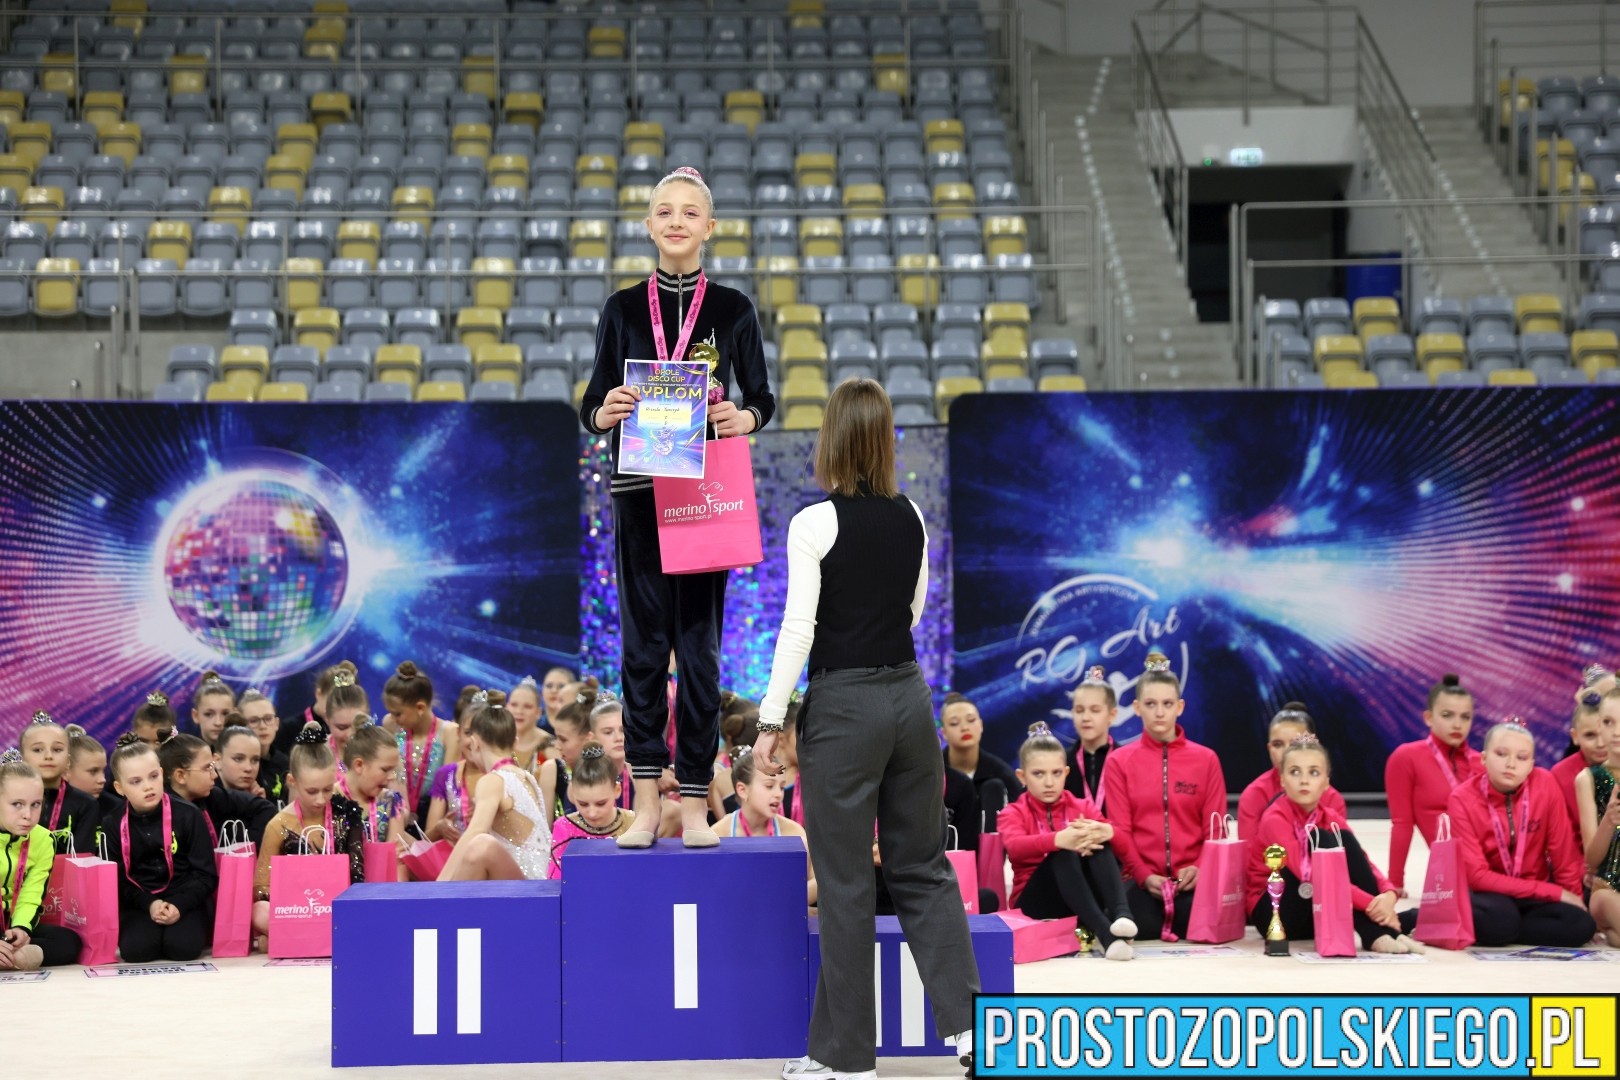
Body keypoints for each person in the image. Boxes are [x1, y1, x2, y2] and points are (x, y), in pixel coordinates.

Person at [757, 378, 977, 1080]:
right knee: (925, 868)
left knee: (847, 882)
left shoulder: (812, 524)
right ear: (884, 439)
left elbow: (798, 630)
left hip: (844, 709)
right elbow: (913, 611)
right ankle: (973, 1030)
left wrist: (770, 719)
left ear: (830, 438)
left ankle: (847, 1058)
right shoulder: (913, 516)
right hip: (910, 700)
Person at [581, 165, 775, 849]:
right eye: (665, 211)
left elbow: (763, 398)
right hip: (638, 494)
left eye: (690, 212)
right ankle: (643, 804)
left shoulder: (733, 309)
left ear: (709, 227)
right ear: (648, 225)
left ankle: (694, 803)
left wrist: (741, 418)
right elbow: (592, 401)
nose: (676, 222)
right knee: (642, 652)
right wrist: (604, 410)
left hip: (702, 497)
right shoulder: (621, 309)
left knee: (698, 656)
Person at [1247, 736, 1420, 953]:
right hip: (1276, 911)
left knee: (1341, 839)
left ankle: (1380, 930)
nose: (1304, 780)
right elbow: (1310, 875)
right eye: (1295, 772)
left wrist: (1388, 895)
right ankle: (1377, 931)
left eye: (1314, 773)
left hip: (1314, 910)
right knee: (1320, 838)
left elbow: (1364, 863)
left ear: (1326, 782)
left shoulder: (1329, 816)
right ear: (1282, 780)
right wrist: (1370, 904)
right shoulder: (1275, 818)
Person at [1100, 651, 1226, 942]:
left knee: (1200, 923)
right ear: (1136, 708)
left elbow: (1215, 830)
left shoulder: (1206, 760)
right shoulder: (1119, 761)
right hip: (1141, 881)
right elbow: (1121, 831)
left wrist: (1200, 867)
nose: (1159, 712)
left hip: (1192, 880)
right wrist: (1143, 875)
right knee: (1137, 925)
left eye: (1167, 704)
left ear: (1180, 707)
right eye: (1150, 704)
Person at [1448, 720, 1595, 948]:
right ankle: (1438, 917)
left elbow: (1563, 853)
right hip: (1489, 894)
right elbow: (1477, 876)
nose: (1511, 764)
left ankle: (1503, 930)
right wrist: (1552, 892)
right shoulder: (1462, 798)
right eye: (1501, 754)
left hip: (1533, 895)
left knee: (1581, 925)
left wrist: (1574, 899)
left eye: (1522, 758)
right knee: (1500, 920)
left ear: (1531, 765)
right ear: (1483, 758)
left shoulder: (1545, 783)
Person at [999, 723, 1136, 960]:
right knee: (1063, 853)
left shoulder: (1082, 806)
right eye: (1038, 774)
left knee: (1097, 839)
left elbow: (1127, 854)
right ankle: (1107, 934)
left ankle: (1123, 916)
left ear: (1066, 773)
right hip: (1036, 903)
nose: (1049, 782)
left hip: (1082, 900)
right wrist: (1058, 839)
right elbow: (1015, 847)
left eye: (1056, 773)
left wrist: (1108, 832)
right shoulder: (1013, 812)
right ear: (1022, 777)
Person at [105, 733, 218, 963]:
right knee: (136, 951)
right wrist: (150, 904)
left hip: (186, 899)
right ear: (119, 787)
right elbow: (118, 880)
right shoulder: (112, 823)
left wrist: (180, 904)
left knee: (182, 948)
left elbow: (206, 875)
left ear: (162, 774)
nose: (148, 786)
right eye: (136, 782)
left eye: (153, 776)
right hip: (140, 902)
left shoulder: (188, 815)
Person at [252, 724, 366, 939]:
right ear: (292, 781)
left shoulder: (347, 814)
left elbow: (358, 875)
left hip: (338, 908)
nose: (320, 799)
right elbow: (260, 887)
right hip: (297, 911)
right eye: (312, 791)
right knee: (259, 912)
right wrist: (293, 899)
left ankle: (304, 937)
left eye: (327, 789)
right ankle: (310, 935)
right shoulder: (278, 824)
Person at [1385, 674, 1482, 895]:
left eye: (1465, 717)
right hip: (1455, 871)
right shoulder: (1406, 758)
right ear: (1428, 717)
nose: (1457, 724)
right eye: (1447, 715)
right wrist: (1395, 883)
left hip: (1492, 864)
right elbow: (1402, 824)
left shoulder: (1483, 762)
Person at [439, 691, 552, 881]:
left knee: (480, 845)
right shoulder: (526, 777)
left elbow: (475, 831)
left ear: (474, 743)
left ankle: (442, 899)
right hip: (542, 877)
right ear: (514, 743)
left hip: (530, 884)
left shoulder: (494, 780)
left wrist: (439, 884)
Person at [0, 751, 80, 969]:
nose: (28, 814)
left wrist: (21, 928)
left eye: (35, 804)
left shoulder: (44, 839)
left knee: (70, 941)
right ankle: (14, 957)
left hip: (10, 921)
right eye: (17, 804)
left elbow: (32, 892)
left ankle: (13, 956)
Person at [715, 748, 817, 906]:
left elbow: (816, 882)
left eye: (781, 787)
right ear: (742, 790)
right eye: (769, 786)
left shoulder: (794, 834)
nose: (778, 794)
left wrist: (778, 901)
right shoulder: (719, 834)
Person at [1235, 702, 1348, 841]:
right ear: (1269, 749)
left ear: (1313, 745)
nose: (1286, 752)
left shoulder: (1332, 799)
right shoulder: (1254, 795)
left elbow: (1339, 850)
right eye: (1278, 744)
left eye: (1295, 744)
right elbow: (1249, 851)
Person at [159, 733, 276, 847]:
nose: (215, 775)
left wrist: (242, 847)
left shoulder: (212, 796)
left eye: (212, 767)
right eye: (207, 768)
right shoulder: (159, 811)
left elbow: (265, 807)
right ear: (181, 776)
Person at [383, 661, 458, 824]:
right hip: (397, 815)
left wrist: (433, 830)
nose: (393, 718)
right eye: (390, 713)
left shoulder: (449, 733)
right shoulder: (391, 725)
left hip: (434, 814)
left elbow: (448, 789)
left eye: (398, 714)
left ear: (420, 708)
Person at [1573, 688, 1620, 946]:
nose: (1616, 732)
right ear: (1599, 725)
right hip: (1606, 889)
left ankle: (1613, 934)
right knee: (1606, 900)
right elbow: (1591, 859)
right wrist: (1609, 820)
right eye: (1608, 722)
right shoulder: (1588, 778)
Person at [547, 743, 635, 878]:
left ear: (617, 790)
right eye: (583, 804)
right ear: (573, 794)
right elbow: (555, 881)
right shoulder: (563, 827)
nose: (592, 813)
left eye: (601, 803)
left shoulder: (633, 823)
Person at [18, 711, 98, 854]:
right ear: (22, 759)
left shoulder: (86, 805)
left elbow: (83, 858)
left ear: (68, 760)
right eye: (38, 750)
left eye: (57, 749)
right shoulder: (6, 801)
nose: (48, 756)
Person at [940, 692, 1021, 822]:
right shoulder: (934, 773)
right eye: (954, 723)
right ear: (944, 733)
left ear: (981, 725)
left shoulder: (1001, 774)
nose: (964, 728)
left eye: (971, 720)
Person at [1552, 675, 1610, 843]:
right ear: (1575, 736)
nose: (1600, 743)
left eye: (1605, 733)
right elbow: (1563, 840)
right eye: (1590, 735)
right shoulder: (1559, 775)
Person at [337, 721, 407, 850]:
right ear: (359, 765)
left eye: (393, 770)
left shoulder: (391, 801)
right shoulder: (329, 798)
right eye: (385, 770)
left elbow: (395, 856)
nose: (392, 777)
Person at [1065, 666, 1117, 813]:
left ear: (1112, 715)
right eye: (1079, 710)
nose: (1086, 718)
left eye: (1095, 710)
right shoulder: (1060, 762)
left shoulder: (1126, 761)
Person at [238, 689, 288, 806]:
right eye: (254, 721)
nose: (262, 726)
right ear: (241, 725)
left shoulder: (285, 763)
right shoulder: (238, 768)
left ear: (276, 723)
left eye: (268, 718)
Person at [64, 726, 120, 826]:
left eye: (103, 770)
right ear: (66, 771)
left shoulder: (116, 808)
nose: (103, 779)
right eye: (93, 771)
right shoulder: (44, 808)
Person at [325, 667, 371, 769]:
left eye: (359, 725)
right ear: (327, 720)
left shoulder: (382, 751)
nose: (351, 734)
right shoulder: (317, 756)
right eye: (342, 727)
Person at [508, 676, 549, 776]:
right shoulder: (495, 741)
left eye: (527, 707)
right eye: (514, 705)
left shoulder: (550, 746)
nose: (519, 711)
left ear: (538, 712)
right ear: (506, 707)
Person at [215, 724, 265, 798]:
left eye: (255, 760)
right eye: (238, 759)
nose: (248, 768)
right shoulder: (204, 797)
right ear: (217, 761)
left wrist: (257, 802)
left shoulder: (256, 794)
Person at [190, 670, 236, 745]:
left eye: (225, 714)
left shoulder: (249, 750)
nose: (218, 722)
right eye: (208, 714)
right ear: (196, 716)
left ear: (235, 714)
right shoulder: (184, 752)